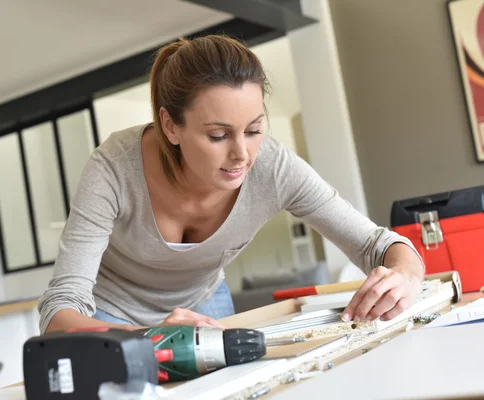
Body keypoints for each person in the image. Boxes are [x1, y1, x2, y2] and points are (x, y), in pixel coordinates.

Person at [38, 34, 424, 334]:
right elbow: (59, 311)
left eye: (254, 129)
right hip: (110, 316)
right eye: (218, 135)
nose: (243, 154)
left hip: (202, 306)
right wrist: (147, 336)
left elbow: (380, 245)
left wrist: (404, 277)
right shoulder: (113, 168)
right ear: (171, 126)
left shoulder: (273, 168)